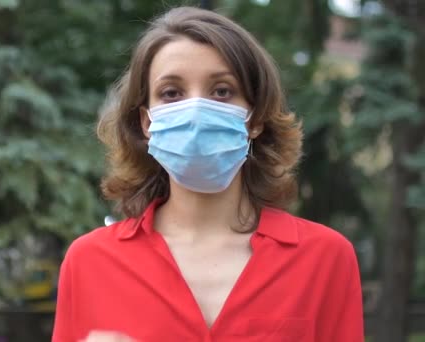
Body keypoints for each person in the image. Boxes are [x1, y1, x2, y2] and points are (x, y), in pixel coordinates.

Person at [52, 6, 363, 342]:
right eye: (171, 93)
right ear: (147, 123)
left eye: (221, 91)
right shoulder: (90, 262)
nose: (196, 110)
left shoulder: (325, 258)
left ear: (255, 118)